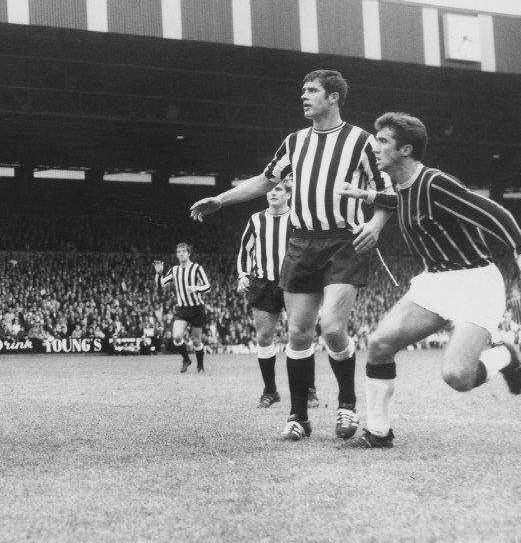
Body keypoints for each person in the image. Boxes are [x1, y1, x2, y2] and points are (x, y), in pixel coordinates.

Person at [190, 70, 392, 442]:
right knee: (298, 333)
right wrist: (221, 199)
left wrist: (376, 225)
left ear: (333, 97)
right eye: (302, 90)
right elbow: (266, 179)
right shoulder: (295, 142)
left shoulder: (361, 141)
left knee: (331, 328)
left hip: (344, 242)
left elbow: (386, 192)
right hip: (301, 243)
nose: (304, 96)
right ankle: (298, 416)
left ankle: (347, 403)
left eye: (312, 90)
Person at [336, 112, 521, 448]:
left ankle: (503, 356)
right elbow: (398, 199)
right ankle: (378, 433)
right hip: (434, 282)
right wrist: (367, 196)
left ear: (405, 150)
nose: (375, 147)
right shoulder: (403, 185)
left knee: (457, 377)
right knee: (378, 345)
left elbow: (496, 213)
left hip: (474, 283)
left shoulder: (435, 183)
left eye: (383, 141)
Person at [237, 179, 292, 408]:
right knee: (263, 338)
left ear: (288, 194)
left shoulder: (298, 218)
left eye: (278, 189)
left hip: (293, 282)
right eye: (269, 190)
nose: (272, 193)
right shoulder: (256, 220)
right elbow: (244, 250)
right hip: (263, 283)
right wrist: (242, 275)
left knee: (300, 336)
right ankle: (270, 391)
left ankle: (309, 389)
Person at [153, 243, 211, 373]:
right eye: (178, 251)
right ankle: (186, 359)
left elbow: (207, 287)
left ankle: (200, 365)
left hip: (196, 309)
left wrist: (195, 288)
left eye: (183, 251)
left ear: (188, 253)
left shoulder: (197, 268)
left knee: (196, 340)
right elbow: (160, 285)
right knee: (177, 336)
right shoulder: (174, 270)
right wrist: (158, 274)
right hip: (182, 309)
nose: (181, 253)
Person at [506, 286, 521, 353]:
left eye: (514, 292)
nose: (512, 293)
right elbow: (509, 313)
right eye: (512, 292)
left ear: (518, 292)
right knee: (516, 337)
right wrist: (507, 323)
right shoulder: (510, 302)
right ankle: (516, 350)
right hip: (514, 321)